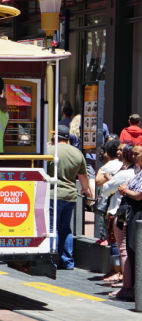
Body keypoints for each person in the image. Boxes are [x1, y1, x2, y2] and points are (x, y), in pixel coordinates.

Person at [47, 124, 93, 270]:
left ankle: (52, 260)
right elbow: (83, 177)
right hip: (70, 196)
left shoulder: (49, 150)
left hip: (53, 195)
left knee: (51, 228)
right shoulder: (77, 153)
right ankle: (67, 261)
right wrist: (86, 190)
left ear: (55, 136)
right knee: (65, 228)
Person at [101, 144, 136, 295]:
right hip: (132, 213)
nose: (118, 152)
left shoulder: (125, 174)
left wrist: (110, 178)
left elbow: (106, 189)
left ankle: (125, 284)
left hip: (120, 212)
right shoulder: (136, 172)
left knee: (123, 248)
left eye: (122, 150)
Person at [112, 145, 142, 300]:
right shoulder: (136, 172)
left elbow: (138, 195)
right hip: (124, 211)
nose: (134, 156)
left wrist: (124, 190)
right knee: (123, 246)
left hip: (133, 213)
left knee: (127, 248)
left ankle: (128, 287)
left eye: (136, 154)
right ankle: (127, 285)